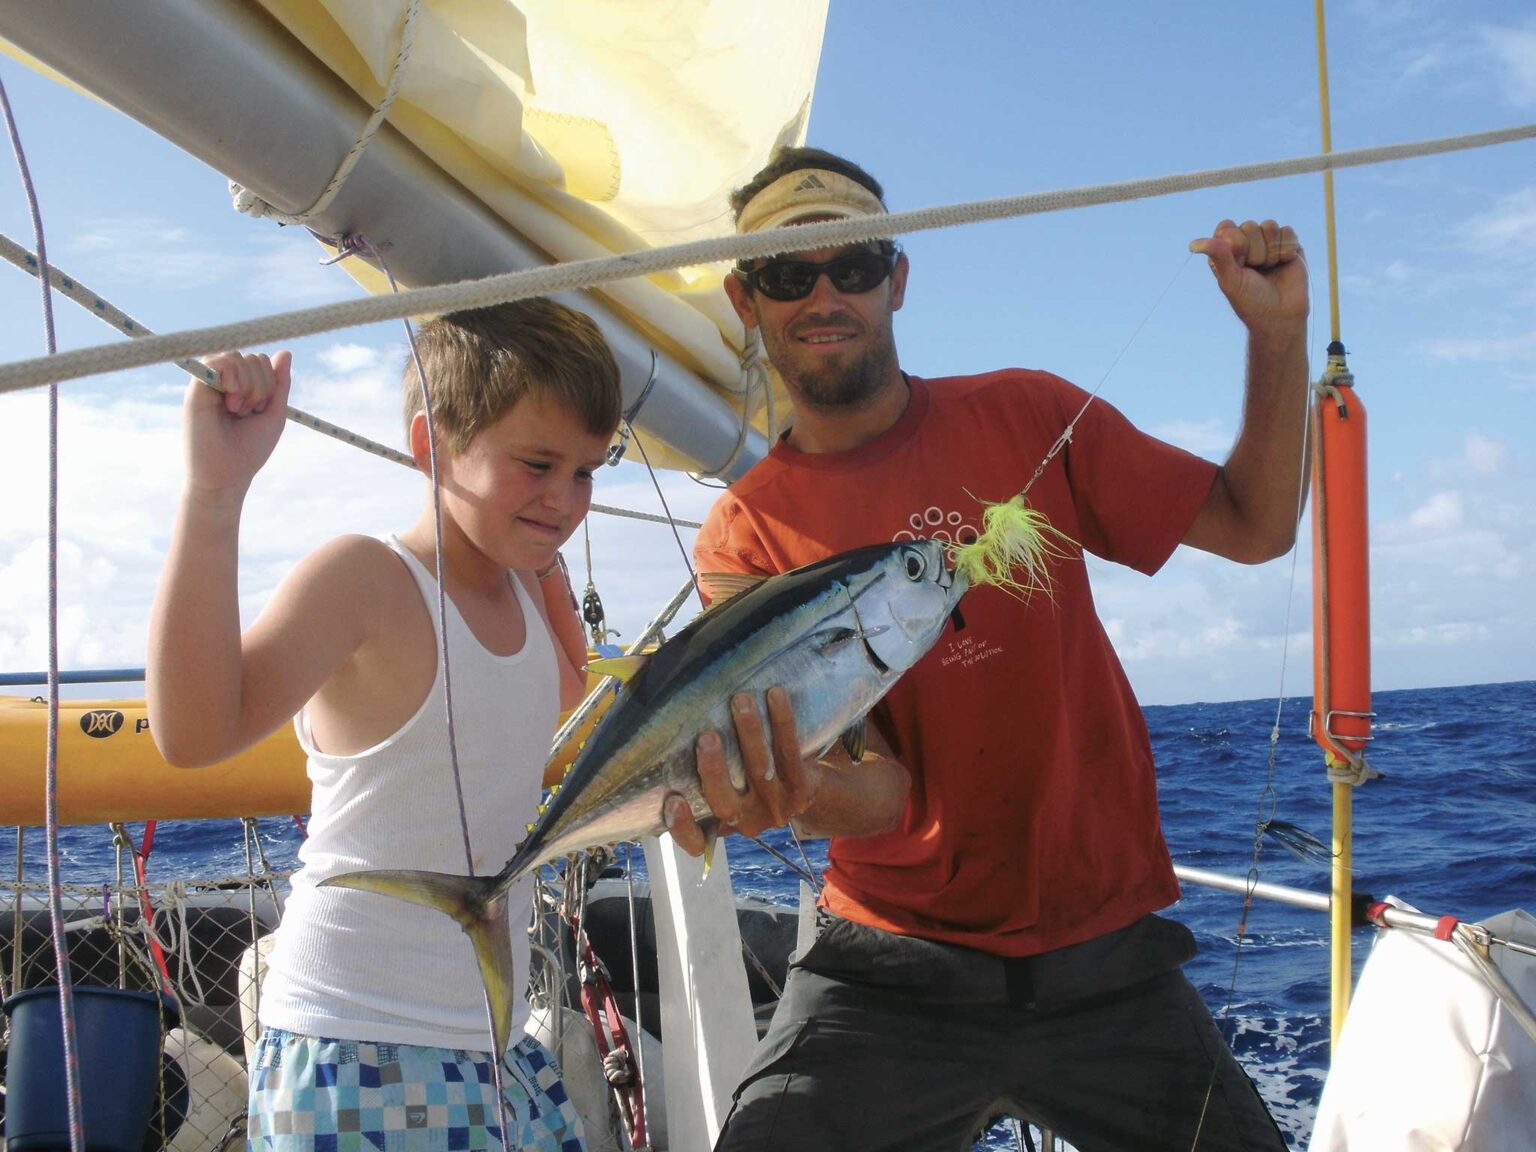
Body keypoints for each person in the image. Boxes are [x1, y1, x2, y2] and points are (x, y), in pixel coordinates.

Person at [665, 147, 1306, 1151]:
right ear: (749, 302)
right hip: (887, 970)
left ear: (899, 279)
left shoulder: (1027, 411)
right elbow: (881, 794)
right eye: (790, 275)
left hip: (1110, 959)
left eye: (855, 265)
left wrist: (1277, 336)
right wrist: (775, 787)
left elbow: (1258, 525)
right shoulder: (745, 534)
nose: (825, 294)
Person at [147, 300, 623, 1152]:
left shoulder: (520, 588)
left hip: (498, 1052)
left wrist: (541, 549)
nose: (564, 499)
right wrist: (216, 490)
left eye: (587, 472)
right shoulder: (366, 579)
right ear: (430, 447)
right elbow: (192, 732)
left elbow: (559, 689)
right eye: (539, 464)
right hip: (357, 1050)